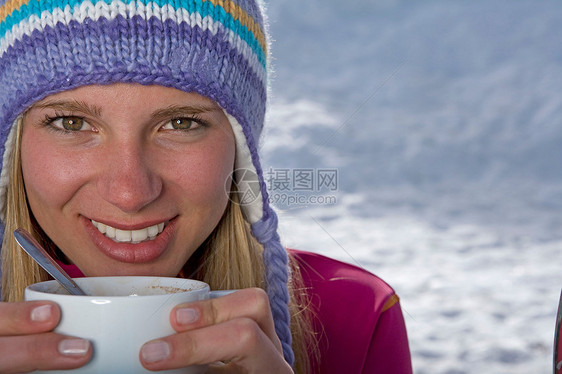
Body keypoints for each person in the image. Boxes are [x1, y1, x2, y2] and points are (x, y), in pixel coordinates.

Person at [0, 0, 413, 372]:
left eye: (182, 123)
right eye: (71, 123)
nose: (130, 194)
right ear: (12, 149)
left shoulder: (356, 314)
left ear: (240, 150)